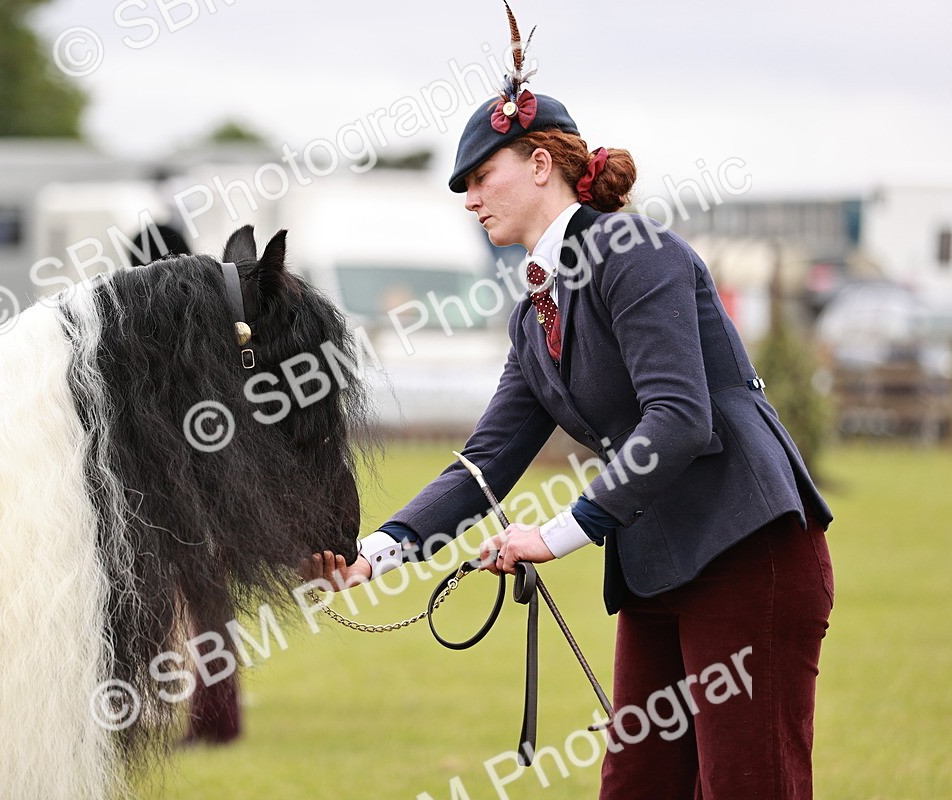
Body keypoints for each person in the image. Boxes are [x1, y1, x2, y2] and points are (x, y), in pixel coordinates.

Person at [311, 3, 834, 797]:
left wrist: (557, 534)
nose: (469, 197)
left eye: (482, 175)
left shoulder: (638, 253)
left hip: (745, 547)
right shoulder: (534, 316)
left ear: (541, 165)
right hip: (659, 566)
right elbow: (486, 466)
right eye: (462, 186)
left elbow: (680, 421)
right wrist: (377, 551)